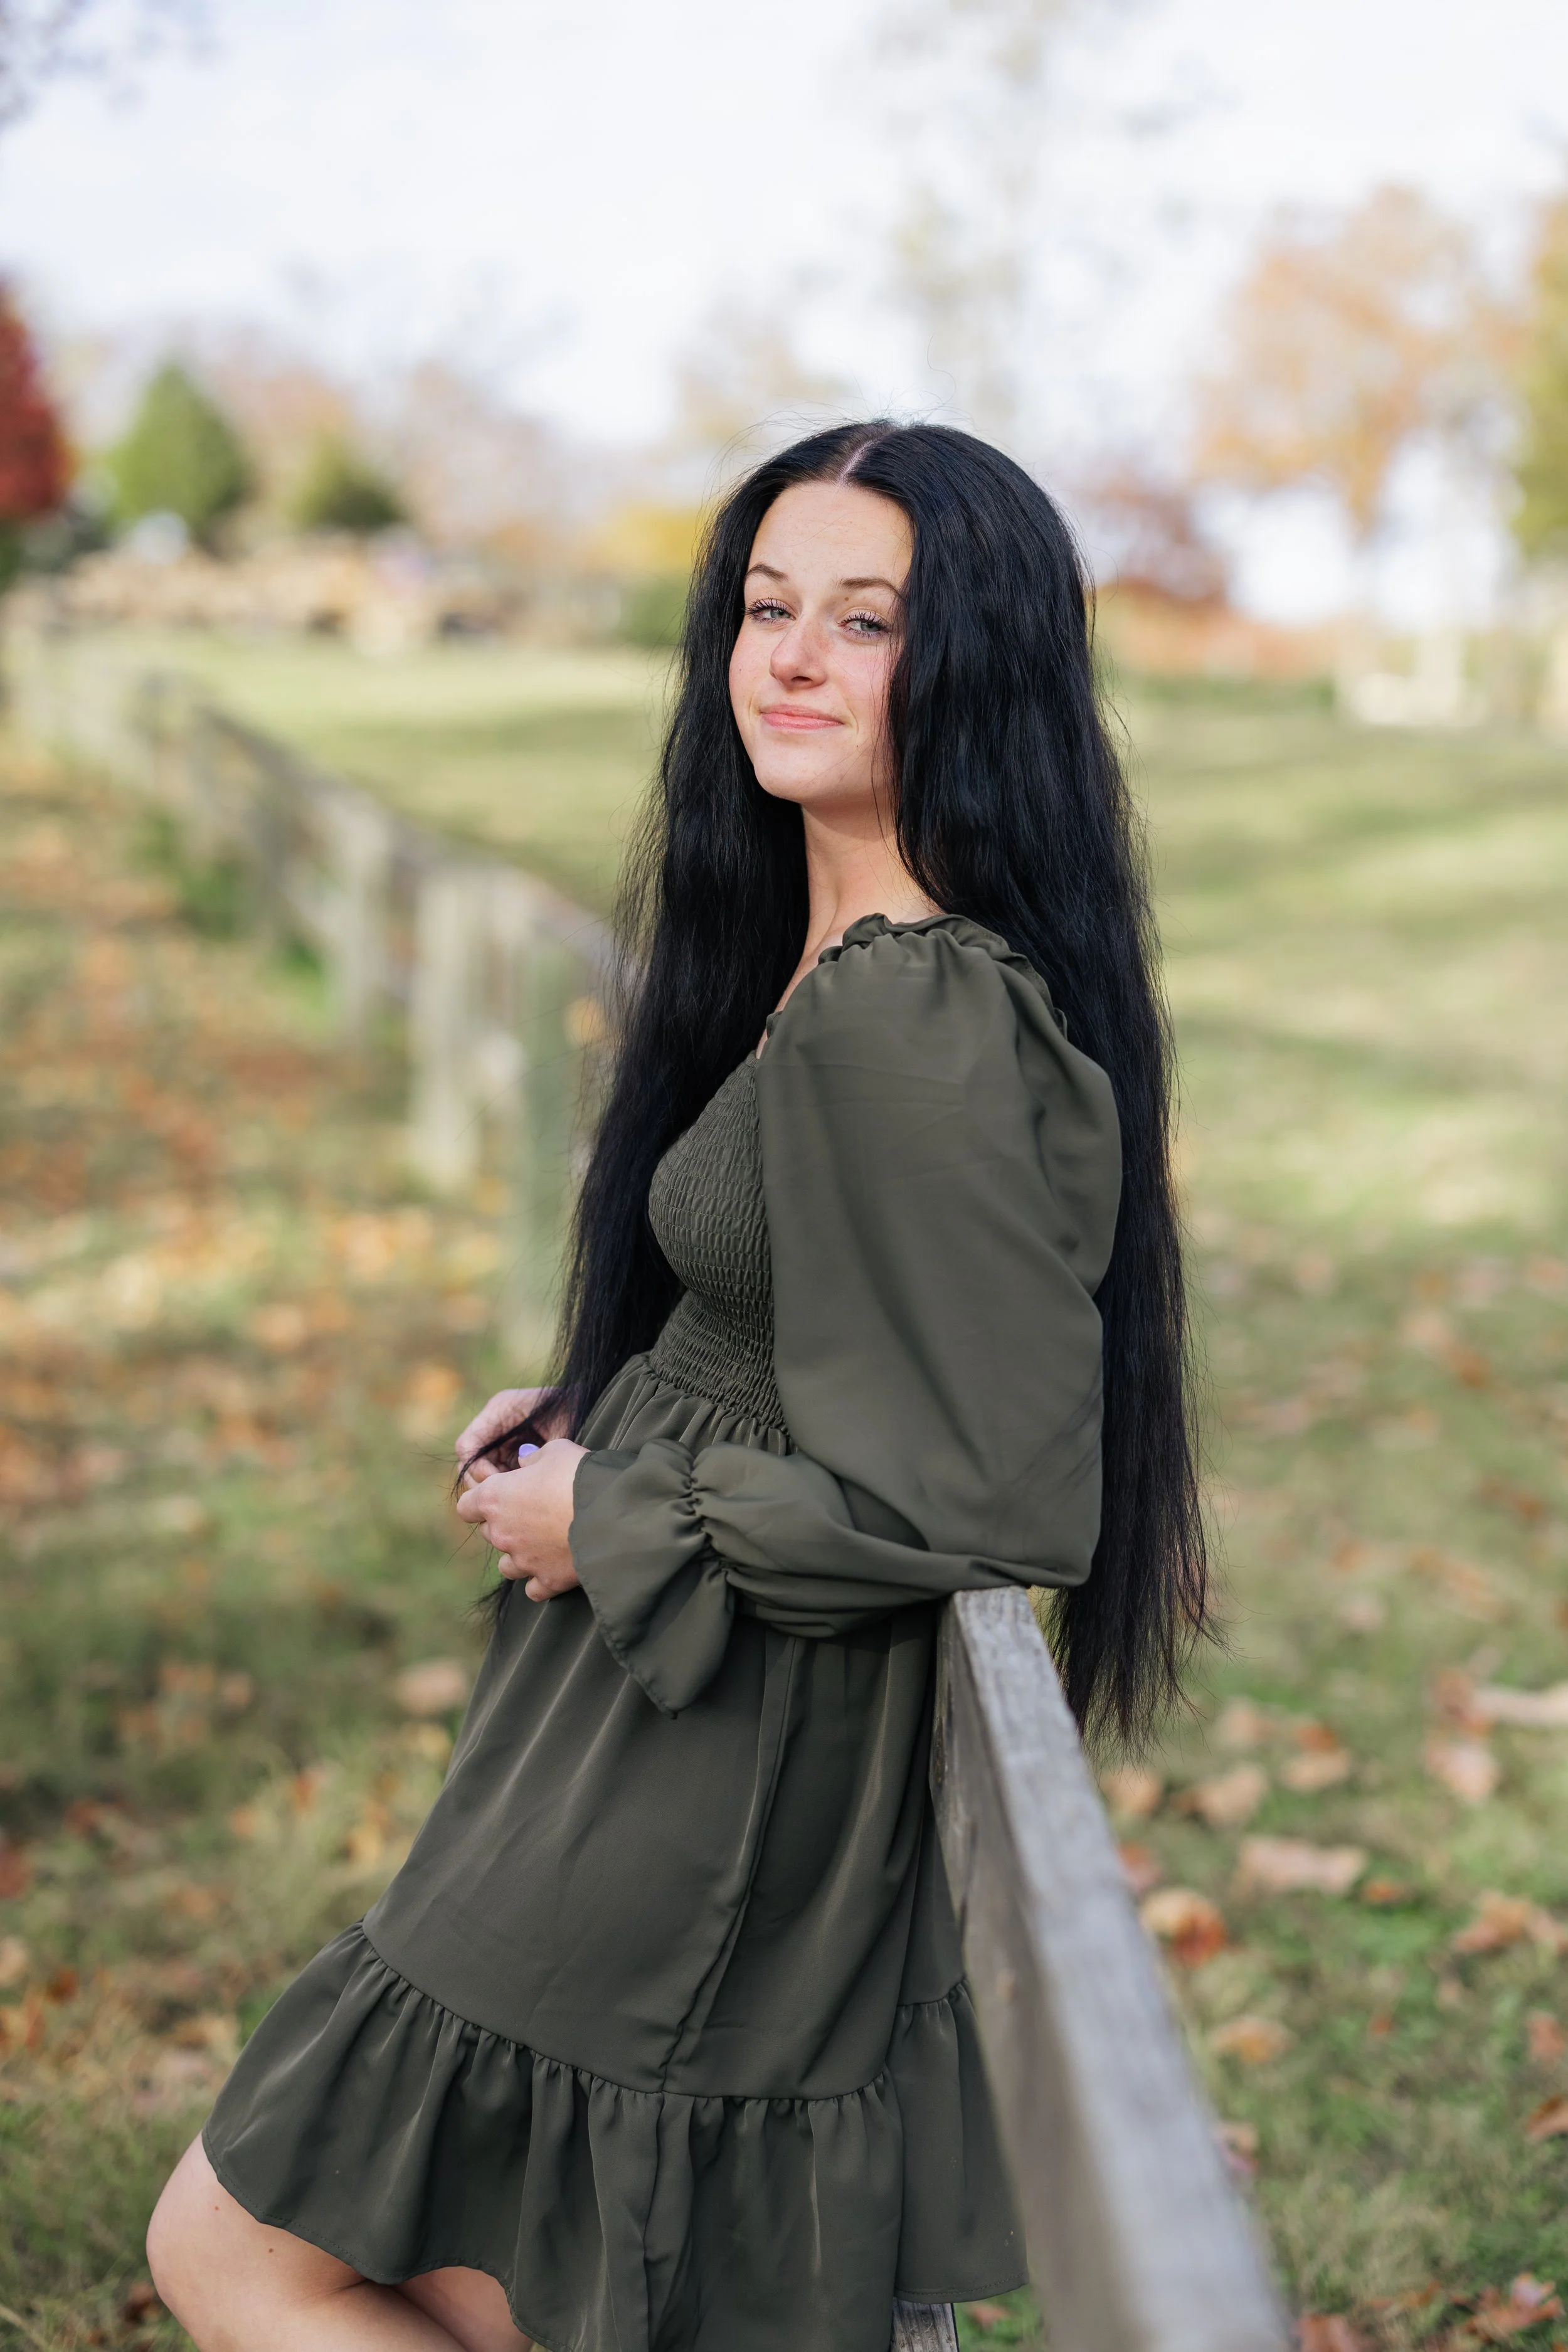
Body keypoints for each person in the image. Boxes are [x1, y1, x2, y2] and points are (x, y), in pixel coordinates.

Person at [146, 420, 1208, 2352]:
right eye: (763, 603)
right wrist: (596, 1403)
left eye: (865, 619)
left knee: (239, 2247)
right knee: (499, 2289)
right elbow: (803, 1331)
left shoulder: (922, 1015)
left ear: (980, 663)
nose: (787, 656)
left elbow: (993, 1499)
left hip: (719, 1768)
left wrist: (616, 1508)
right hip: (649, 1710)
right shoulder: (827, 953)